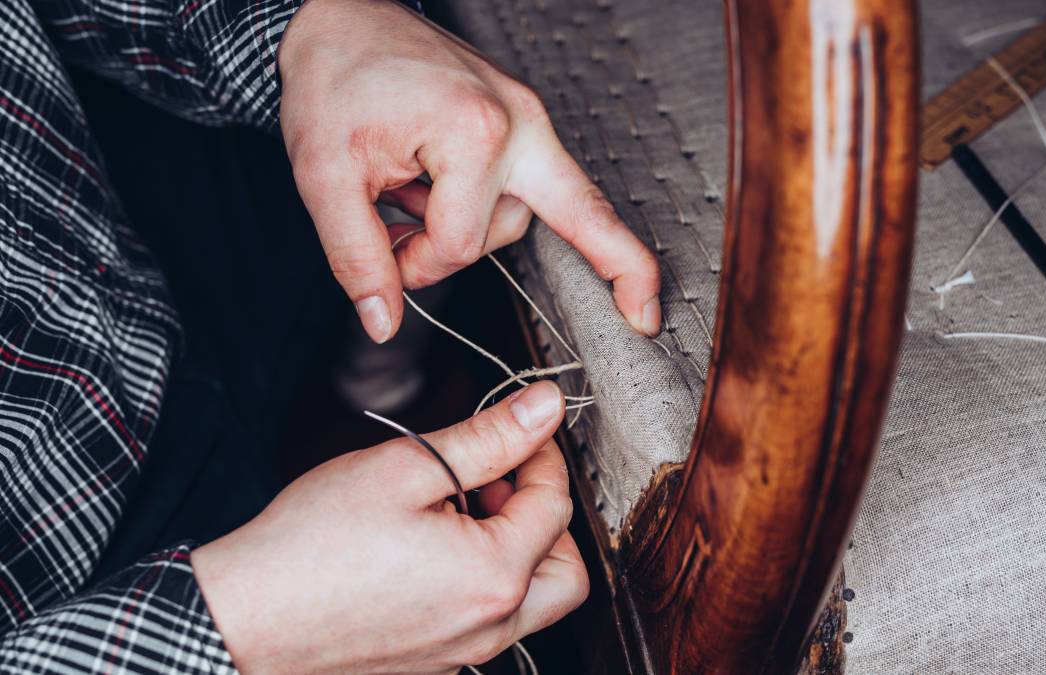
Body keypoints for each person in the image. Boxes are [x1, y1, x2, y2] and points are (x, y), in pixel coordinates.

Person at [0, 0, 661, 672]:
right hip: (91, 582)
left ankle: (375, 377)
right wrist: (237, 631)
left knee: (424, 194)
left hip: (120, 197)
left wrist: (307, 32)